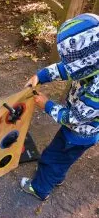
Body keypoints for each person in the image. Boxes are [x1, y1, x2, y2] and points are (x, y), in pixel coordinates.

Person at [20, 13, 99, 200]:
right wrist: (40, 76)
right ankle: (56, 177)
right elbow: (65, 69)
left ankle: (39, 188)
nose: (69, 68)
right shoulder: (92, 60)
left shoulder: (97, 90)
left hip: (79, 133)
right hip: (81, 131)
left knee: (52, 157)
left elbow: (73, 118)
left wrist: (46, 104)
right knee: (64, 158)